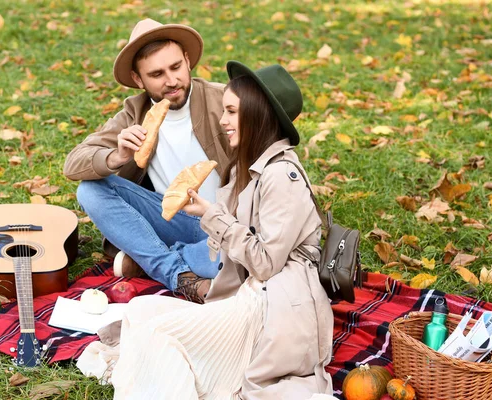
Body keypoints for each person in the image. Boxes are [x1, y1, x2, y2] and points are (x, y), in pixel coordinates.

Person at [76, 61, 334, 399]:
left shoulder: (281, 176)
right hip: (244, 290)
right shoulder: (253, 164)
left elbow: (267, 264)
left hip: (269, 308)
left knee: (157, 336)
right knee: (140, 311)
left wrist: (213, 215)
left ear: (258, 116)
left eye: (231, 112)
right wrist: (207, 213)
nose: (223, 120)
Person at [63, 18, 231, 302]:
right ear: (139, 80)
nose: (171, 80)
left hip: (228, 223)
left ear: (188, 61)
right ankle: (180, 275)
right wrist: (117, 156)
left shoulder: (222, 100)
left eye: (176, 67)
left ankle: (149, 260)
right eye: (157, 74)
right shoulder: (134, 113)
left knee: (236, 263)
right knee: (89, 190)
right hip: (175, 220)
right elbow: (73, 164)